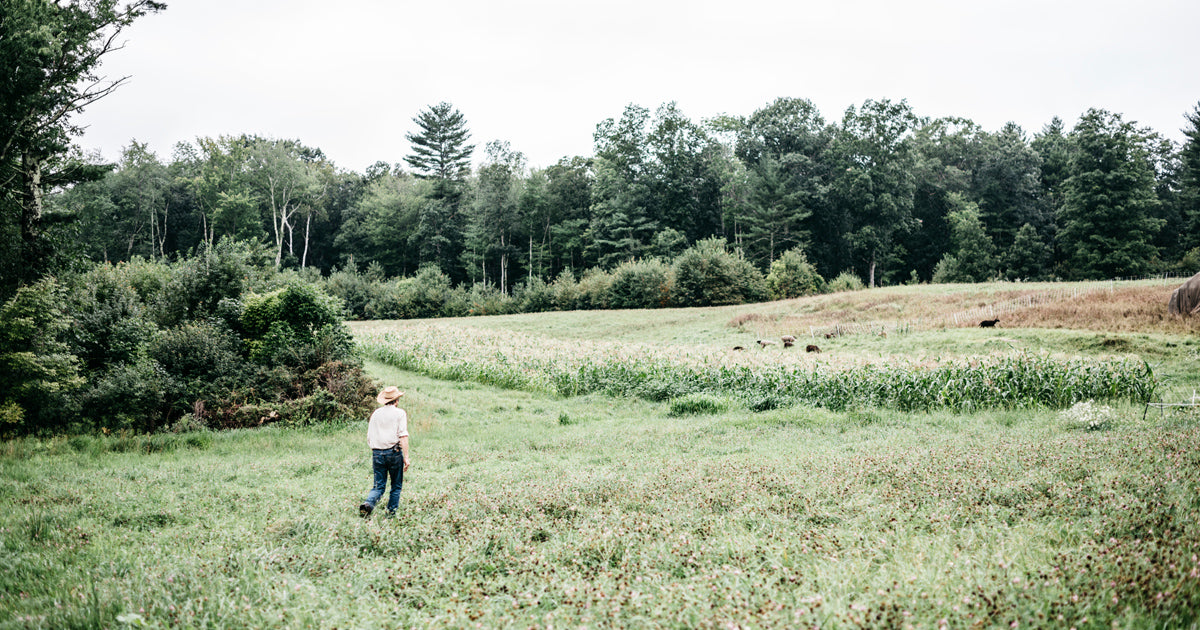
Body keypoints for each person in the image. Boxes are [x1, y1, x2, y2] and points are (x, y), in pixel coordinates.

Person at [360, 386, 411, 517]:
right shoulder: (400, 413)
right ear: (397, 400)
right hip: (393, 452)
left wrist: (376, 449)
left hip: (377, 453)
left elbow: (369, 436)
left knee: (378, 486)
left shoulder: (376, 413)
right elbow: (403, 436)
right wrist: (406, 457)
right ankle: (390, 513)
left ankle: (368, 504)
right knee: (396, 485)